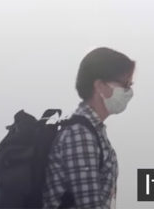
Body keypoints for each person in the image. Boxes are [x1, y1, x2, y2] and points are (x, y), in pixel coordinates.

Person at [43, 47, 135, 208]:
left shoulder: (93, 131)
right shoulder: (81, 135)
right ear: (100, 86)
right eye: (125, 84)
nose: (130, 91)